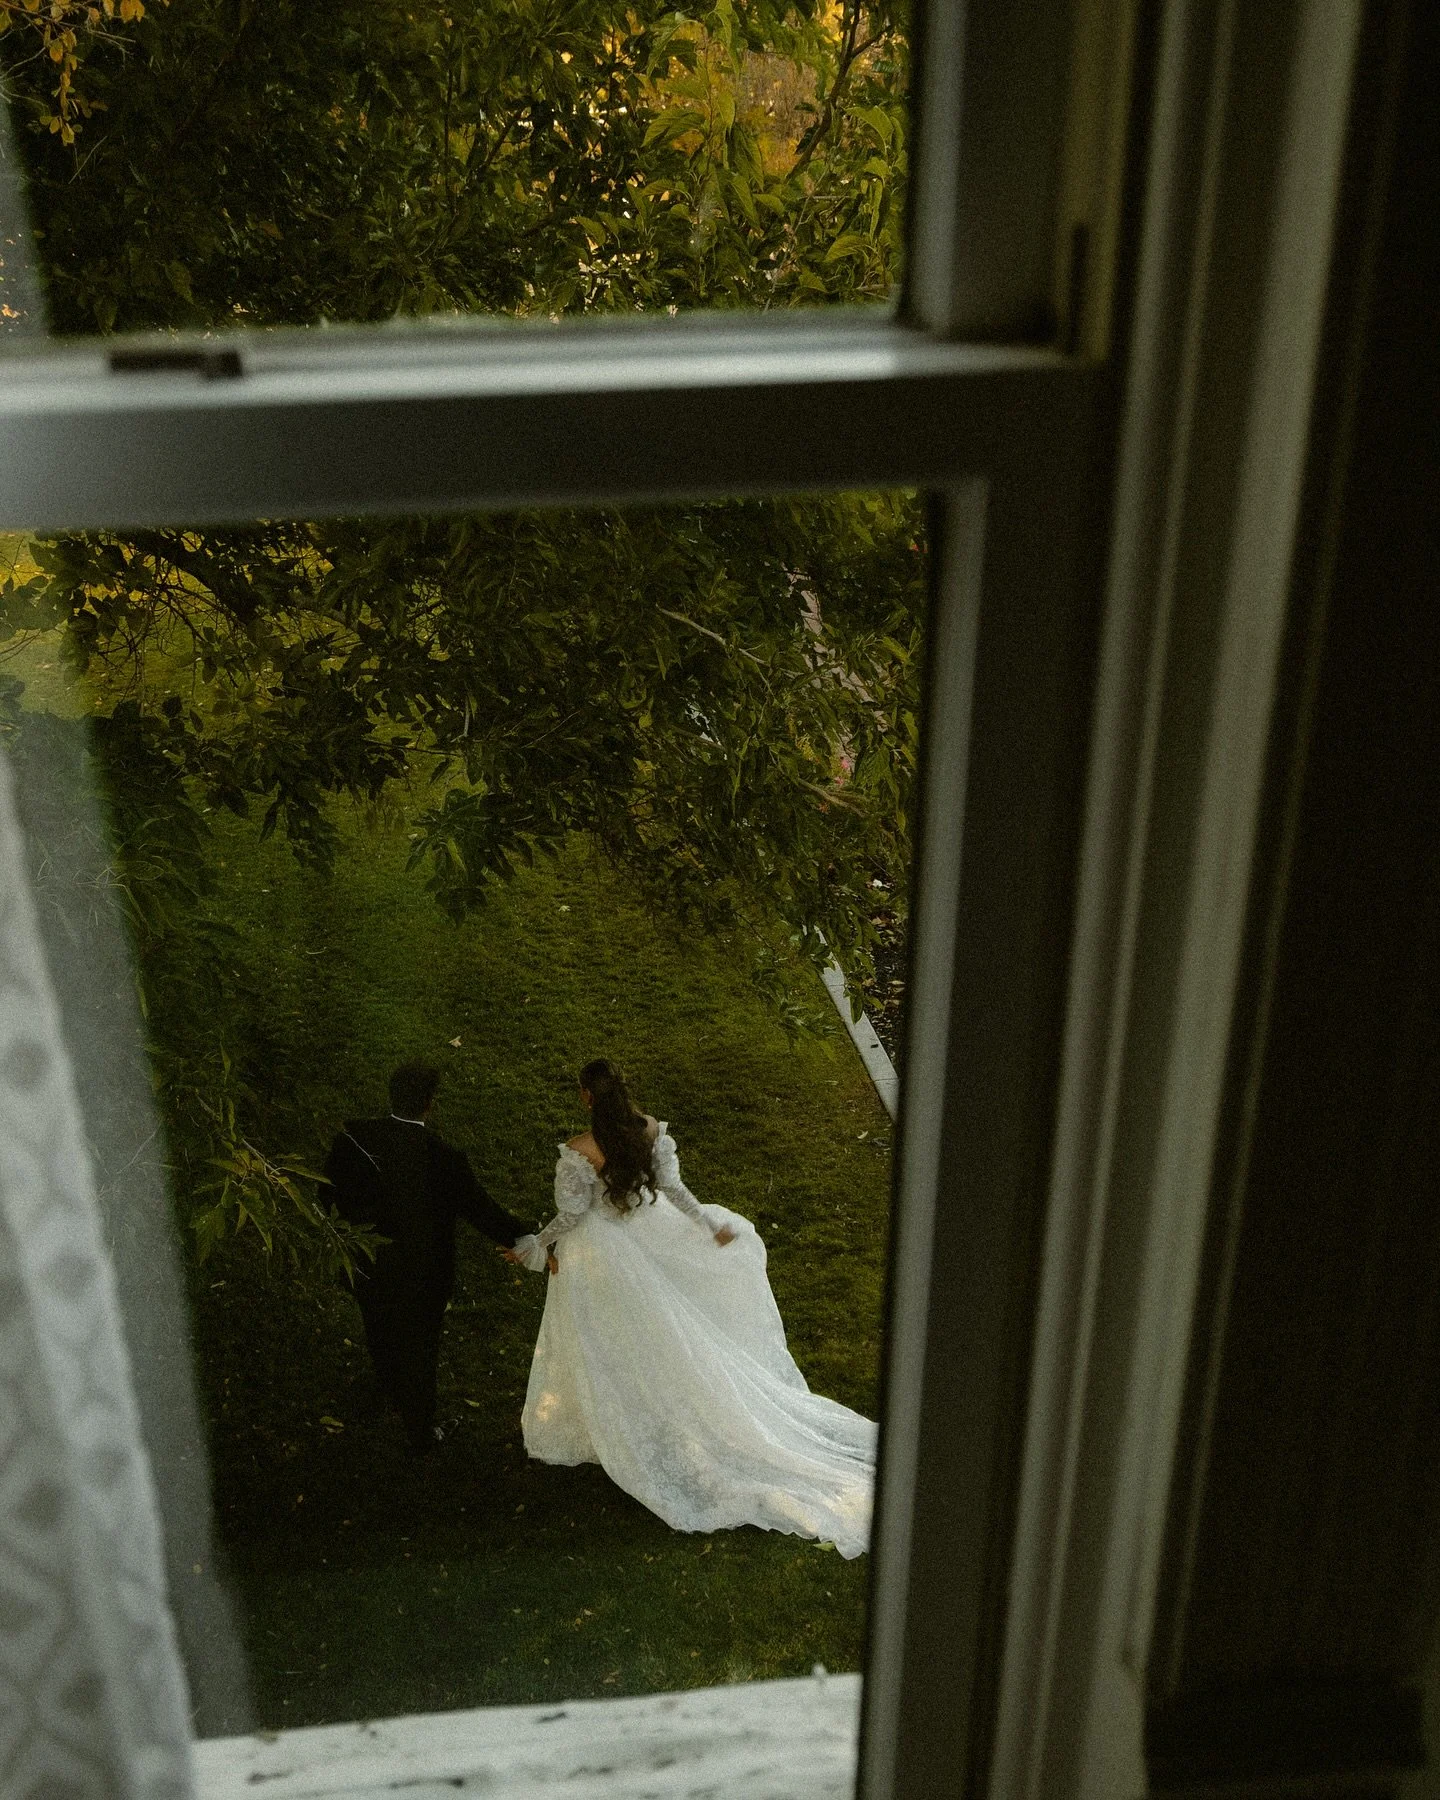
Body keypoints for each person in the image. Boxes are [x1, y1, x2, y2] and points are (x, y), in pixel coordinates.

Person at [512, 1059, 876, 1557]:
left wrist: (539, 1244)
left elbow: (574, 1214)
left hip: (603, 1250)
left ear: (585, 1098)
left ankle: (621, 1416)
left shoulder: (579, 1152)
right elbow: (675, 1190)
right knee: (667, 1327)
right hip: (649, 1229)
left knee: (610, 1338)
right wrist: (708, 1225)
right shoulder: (651, 1131)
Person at [325, 1059, 532, 1456]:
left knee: (378, 1325)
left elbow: (329, 1195)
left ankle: (387, 1384)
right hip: (421, 1276)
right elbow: (482, 1211)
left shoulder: (352, 1138)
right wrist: (531, 1237)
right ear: (429, 1104)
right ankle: (420, 1432)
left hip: (365, 1264)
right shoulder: (444, 1159)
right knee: (420, 1350)